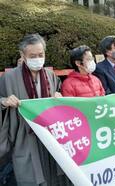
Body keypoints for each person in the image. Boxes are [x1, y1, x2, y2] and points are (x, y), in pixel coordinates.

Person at [0, 34, 72, 186]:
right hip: (24, 136)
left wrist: (59, 96)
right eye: (32, 56)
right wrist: (4, 101)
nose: (37, 59)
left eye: (41, 55)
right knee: (31, 175)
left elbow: (60, 97)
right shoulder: (9, 78)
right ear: (23, 55)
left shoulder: (51, 76)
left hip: (50, 135)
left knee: (55, 174)